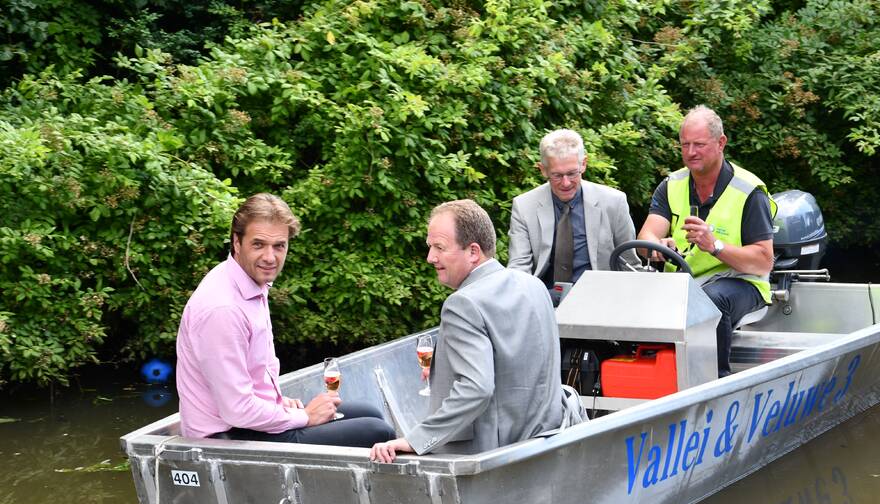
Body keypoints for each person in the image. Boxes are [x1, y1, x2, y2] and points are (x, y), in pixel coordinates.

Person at [175, 192, 395, 446]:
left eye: (279, 246)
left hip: (246, 423)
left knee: (370, 412)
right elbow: (236, 409)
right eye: (258, 245)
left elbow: (252, 378)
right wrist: (303, 417)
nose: (270, 257)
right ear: (237, 242)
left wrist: (277, 404)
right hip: (225, 439)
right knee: (378, 432)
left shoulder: (249, 280)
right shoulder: (223, 309)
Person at [371, 199, 567, 462]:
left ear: (473, 252)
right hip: (546, 443)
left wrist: (416, 440)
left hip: (490, 459)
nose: (430, 258)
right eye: (430, 247)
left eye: (439, 247)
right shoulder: (534, 285)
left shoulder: (462, 304)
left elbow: (477, 388)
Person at [637, 105, 776, 377]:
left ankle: (715, 383)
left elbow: (763, 261)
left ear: (721, 143)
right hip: (684, 284)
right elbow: (645, 237)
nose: (690, 152)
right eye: (685, 144)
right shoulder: (671, 185)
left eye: (699, 144)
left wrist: (715, 246)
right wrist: (657, 246)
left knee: (711, 300)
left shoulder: (749, 191)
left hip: (741, 282)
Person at [508, 129, 640, 302]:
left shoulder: (613, 202)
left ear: (583, 164)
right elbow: (519, 269)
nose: (566, 183)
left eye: (572, 173)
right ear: (543, 170)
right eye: (557, 175)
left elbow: (629, 264)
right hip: (544, 300)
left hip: (602, 300)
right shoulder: (524, 206)